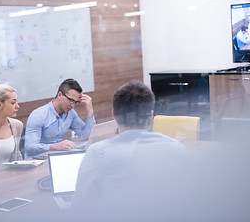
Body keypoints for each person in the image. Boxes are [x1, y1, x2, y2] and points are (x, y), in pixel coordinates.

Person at [71, 80, 188, 221]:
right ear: (151, 116)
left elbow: (79, 209)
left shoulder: (96, 153)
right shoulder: (176, 148)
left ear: (114, 114)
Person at [25, 78, 95, 157]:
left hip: (56, 158)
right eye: (71, 100)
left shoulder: (70, 113)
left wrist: (90, 111)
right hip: (37, 161)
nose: (73, 105)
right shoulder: (38, 115)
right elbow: (29, 148)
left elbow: (86, 135)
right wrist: (54, 146)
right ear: (59, 95)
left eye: (76, 102)